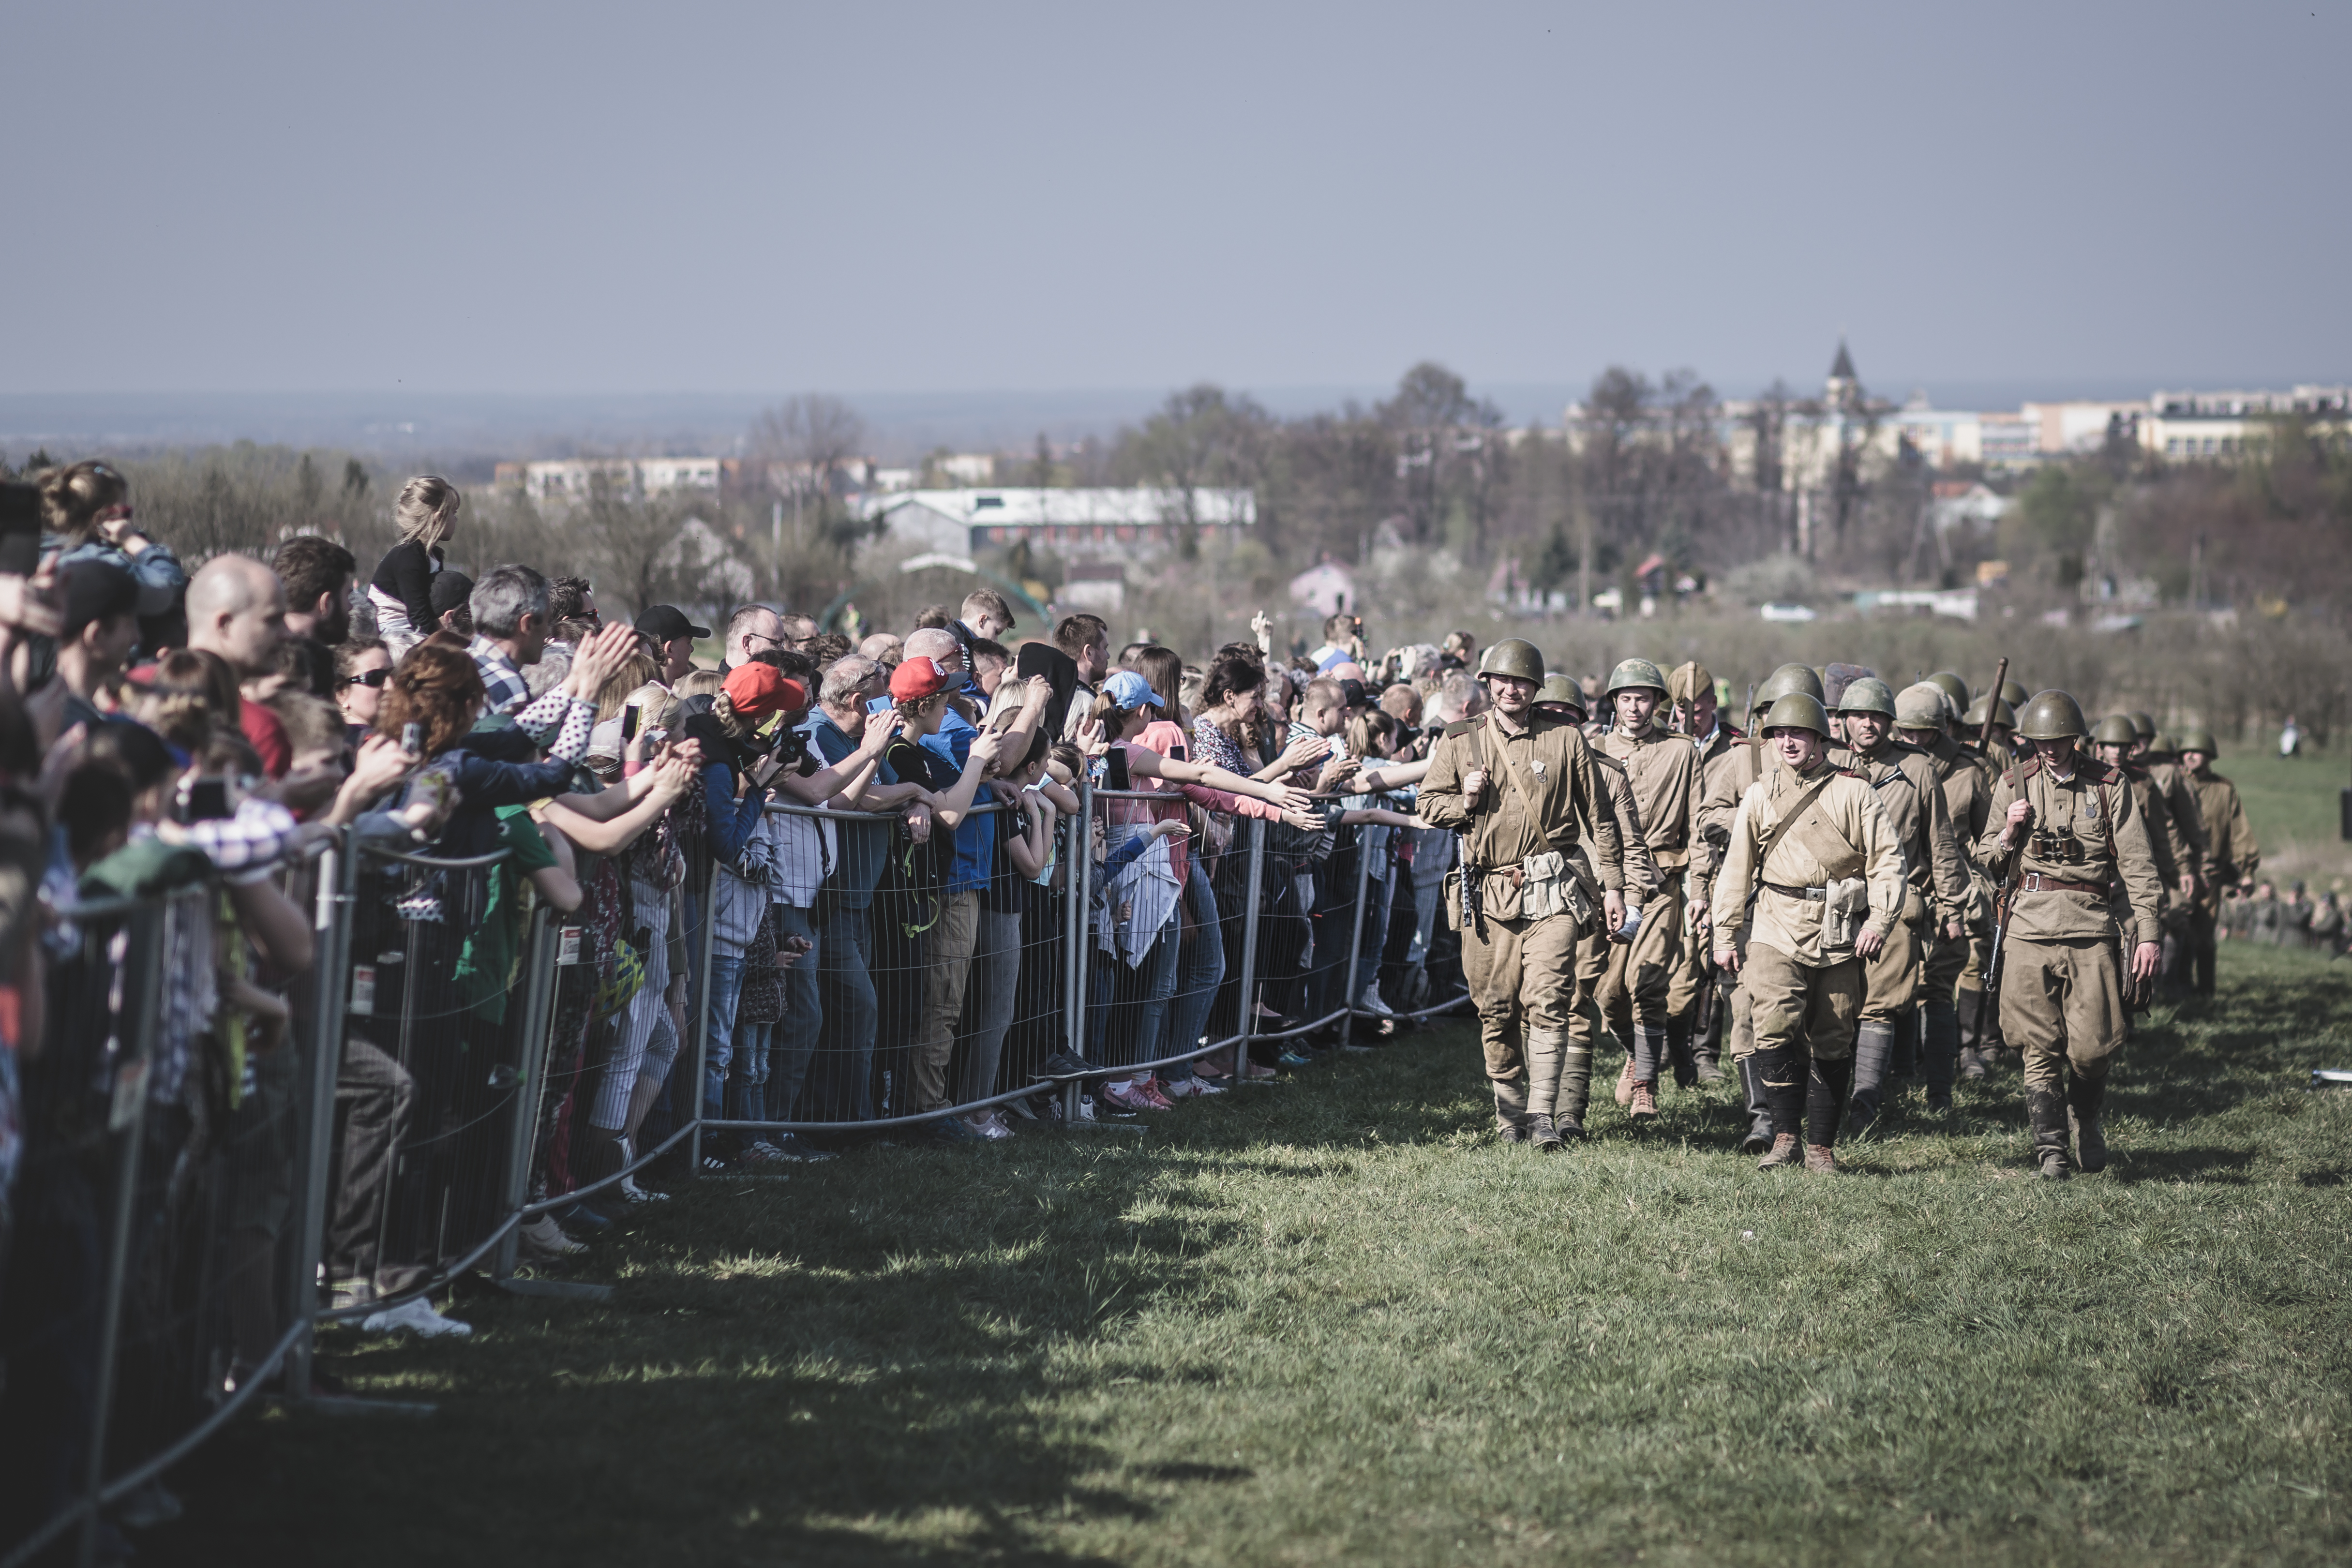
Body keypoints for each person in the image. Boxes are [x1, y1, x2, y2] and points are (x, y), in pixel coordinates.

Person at [1414, 637, 1623, 1148]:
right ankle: (1509, 1117)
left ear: (1535, 687)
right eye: (1502, 680)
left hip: (1553, 887)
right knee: (1496, 1006)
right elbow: (1427, 806)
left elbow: (1600, 817)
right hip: (1488, 892)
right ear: (1487, 685)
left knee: (1549, 999)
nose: (1512, 688)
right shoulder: (1461, 739)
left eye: (1522, 681)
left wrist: (1614, 886)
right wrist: (1464, 800)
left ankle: (1542, 1117)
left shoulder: (1565, 739)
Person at [1710, 691, 1906, 1174]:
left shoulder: (1855, 790)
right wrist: (1724, 932)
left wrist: (1879, 920)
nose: (1787, 741)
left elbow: (1887, 861)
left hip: (1839, 929)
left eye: (1797, 732)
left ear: (1820, 737)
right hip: (1776, 923)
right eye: (1779, 733)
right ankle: (1784, 1137)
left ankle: (1820, 1146)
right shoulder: (1760, 793)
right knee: (1772, 1025)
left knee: (1834, 1035)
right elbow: (1737, 869)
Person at [1977, 691, 2164, 1179]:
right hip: (2027, 926)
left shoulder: (2108, 785)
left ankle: (2086, 1117)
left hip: (2091, 924)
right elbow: (1986, 862)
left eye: (2059, 740)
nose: (2050, 750)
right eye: (2041, 742)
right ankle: (2051, 1150)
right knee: (2036, 1045)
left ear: (2075, 738)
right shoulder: (2013, 783)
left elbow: (2138, 865)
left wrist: (2148, 934)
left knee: (2093, 1047)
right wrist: (2007, 835)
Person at [1829, 677, 1970, 1135]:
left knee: (1880, 1005)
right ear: (1844, 720)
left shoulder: (1918, 768)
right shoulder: (1828, 761)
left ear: (1890, 722)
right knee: (1832, 1007)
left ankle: (1864, 1108)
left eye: (1877, 716)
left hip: (1897, 903)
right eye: (1859, 716)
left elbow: (1941, 844)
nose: (1867, 724)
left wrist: (1952, 908)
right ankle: (1826, 1101)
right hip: (1832, 906)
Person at [1592, 658, 1704, 1121]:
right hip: (1608, 881)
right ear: (1614, 701)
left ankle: (1645, 1086)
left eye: (1642, 697)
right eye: (1625, 697)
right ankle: (1637, 1051)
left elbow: (1697, 826)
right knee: (1608, 992)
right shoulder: (1592, 748)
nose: (1634, 707)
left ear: (1658, 702)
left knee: (1650, 981)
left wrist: (1699, 890)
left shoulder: (1682, 751)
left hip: (1661, 880)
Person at [1894, 682, 1994, 1101]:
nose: (1915, 740)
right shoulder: (1891, 765)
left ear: (1941, 728)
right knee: (1897, 987)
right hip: (1901, 888)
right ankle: (1898, 1076)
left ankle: (1941, 1086)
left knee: (1938, 986)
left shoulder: (1970, 770)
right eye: (1907, 732)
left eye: (1925, 732)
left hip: (1954, 890)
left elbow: (1988, 838)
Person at [37, 458, 189, 652]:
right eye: (125, 512)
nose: (129, 520)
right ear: (101, 519)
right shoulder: (104, 566)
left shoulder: (34, 554)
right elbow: (167, 586)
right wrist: (134, 542)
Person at [184, 553, 293, 777]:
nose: (287, 634)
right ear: (225, 624)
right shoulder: (259, 729)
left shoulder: (133, 696)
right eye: (272, 620)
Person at [2176, 728, 2257, 997]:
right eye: (2186, 752)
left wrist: (2246, 871)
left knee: (2204, 934)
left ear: (2209, 755)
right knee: (2178, 931)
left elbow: (2240, 831)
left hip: (2210, 874)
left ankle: (2206, 992)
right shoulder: (2174, 784)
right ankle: (2177, 988)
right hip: (2176, 872)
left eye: (2196, 752)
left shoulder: (2225, 790)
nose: (2190, 756)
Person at [56, 558, 164, 733]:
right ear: (96, 636)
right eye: (130, 623)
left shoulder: (43, 713)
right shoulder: (77, 733)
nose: (138, 638)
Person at [367, 475, 460, 655]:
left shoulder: (431, 555)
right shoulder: (408, 557)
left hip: (409, 632)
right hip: (394, 638)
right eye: (453, 513)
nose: (456, 520)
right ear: (438, 518)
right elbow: (420, 618)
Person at [273, 534, 356, 697]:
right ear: (325, 604)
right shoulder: (309, 672)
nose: (351, 606)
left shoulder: (255, 660)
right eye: (347, 596)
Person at [1054, 612, 1112, 740]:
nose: (1108, 656)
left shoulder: (1050, 696)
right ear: (1089, 652)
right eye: (1105, 648)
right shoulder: (1088, 705)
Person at [333, 638, 394, 746]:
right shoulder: (363, 747)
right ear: (342, 693)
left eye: (394, 674)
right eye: (375, 677)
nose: (391, 686)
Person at [636, 604, 708, 684]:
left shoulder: (630, 695)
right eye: (689, 642)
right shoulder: (665, 697)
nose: (692, 649)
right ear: (670, 649)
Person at [723, 602, 785, 672]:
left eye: (782, 644)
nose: (783, 650)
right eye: (776, 643)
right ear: (747, 644)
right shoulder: (718, 682)